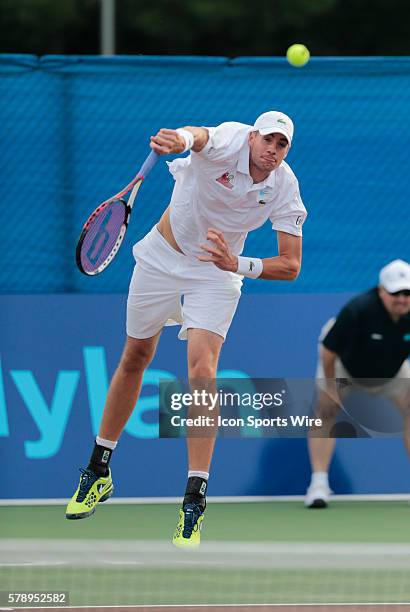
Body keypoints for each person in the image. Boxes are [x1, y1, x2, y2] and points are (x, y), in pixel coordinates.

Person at [65, 111, 307, 546]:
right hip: (162, 256)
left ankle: (194, 498)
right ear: (252, 138)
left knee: (202, 372)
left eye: (282, 144)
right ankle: (98, 469)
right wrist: (178, 139)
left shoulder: (284, 186)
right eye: (267, 140)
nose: (272, 150)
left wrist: (239, 264)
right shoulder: (230, 139)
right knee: (135, 357)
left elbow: (290, 265)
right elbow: (197, 136)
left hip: (216, 272)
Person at [305, 259, 410, 508]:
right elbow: (328, 352)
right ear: (381, 291)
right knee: (325, 410)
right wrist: (331, 388)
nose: (402, 299)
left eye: (408, 293)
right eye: (396, 293)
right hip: (345, 368)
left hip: (392, 372)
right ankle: (318, 484)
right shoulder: (358, 310)